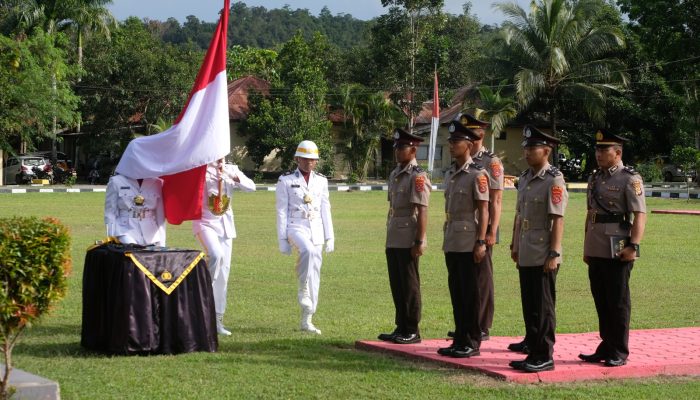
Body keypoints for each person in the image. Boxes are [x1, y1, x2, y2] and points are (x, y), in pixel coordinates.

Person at [579, 129, 647, 367]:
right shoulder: (595, 178)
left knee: (617, 301)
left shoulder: (630, 178)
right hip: (597, 245)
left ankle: (619, 349)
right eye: (597, 149)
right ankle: (605, 345)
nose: (598, 154)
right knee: (601, 298)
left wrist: (634, 246)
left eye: (604, 150)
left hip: (618, 247)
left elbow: (639, 215)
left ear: (617, 153)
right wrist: (587, 246)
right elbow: (591, 214)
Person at [508, 125, 568, 373]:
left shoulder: (553, 179)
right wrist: (515, 243)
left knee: (543, 306)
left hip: (543, 252)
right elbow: (519, 215)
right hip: (526, 249)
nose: (527, 152)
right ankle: (533, 349)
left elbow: (558, 220)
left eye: (533, 148)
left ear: (547, 150)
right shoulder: (524, 178)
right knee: (530, 304)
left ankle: (544, 355)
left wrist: (554, 253)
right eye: (526, 148)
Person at [446, 113, 503, 341]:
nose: (475, 134)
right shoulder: (459, 162)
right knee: (466, 280)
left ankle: (482, 325)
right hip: (464, 228)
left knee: (482, 278)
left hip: (482, 226)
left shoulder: (491, 162)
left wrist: (490, 232)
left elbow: (495, 201)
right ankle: (468, 324)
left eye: (476, 130)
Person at [437, 115, 489, 358]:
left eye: (456, 141)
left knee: (470, 292)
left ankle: (471, 340)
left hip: (469, 240)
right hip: (453, 238)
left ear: (468, 145)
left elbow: (484, 210)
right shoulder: (452, 173)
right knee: (456, 290)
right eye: (450, 141)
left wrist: (481, 241)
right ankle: (459, 337)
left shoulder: (477, 174)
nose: (451, 145)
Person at [377, 128, 431, 345]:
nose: (398, 152)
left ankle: (412, 328)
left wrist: (420, 240)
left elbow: (423, 209)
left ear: (413, 149)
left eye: (402, 148)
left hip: (409, 233)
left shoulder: (417, 176)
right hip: (394, 233)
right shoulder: (395, 173)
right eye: (396, 148)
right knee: (397, 283)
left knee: (409, 284)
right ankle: (400, 325)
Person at [276, 140, 335, 335]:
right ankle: (302, 288)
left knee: (315, 274)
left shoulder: (321, 180)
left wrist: (330, 236)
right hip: (295, 227)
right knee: (307, 251)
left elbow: (326, 209)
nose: (309, 162)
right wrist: (282, 240)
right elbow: (281, 211)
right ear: (297, 159)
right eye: (305, 159)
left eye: (312, 159)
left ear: (316, 161)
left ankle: (307, 318)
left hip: (316, 229)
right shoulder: (285, 180)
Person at [194, 158, 256, 336]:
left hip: (226, 227)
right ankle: (203, 294)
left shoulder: (230, 169)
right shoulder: (200, 169)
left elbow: (251, 187)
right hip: (205, 223)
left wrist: (232, 175)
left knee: (224, 273)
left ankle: (217, 319)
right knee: (215, 255)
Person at [104, 174, 166, 246]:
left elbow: (160, 215)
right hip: (125, 230)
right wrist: (111, 238)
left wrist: (162, 242)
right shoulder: (116, 181)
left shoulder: (157, 182)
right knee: (130, 253)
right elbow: (110, 213)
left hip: (151, 232)